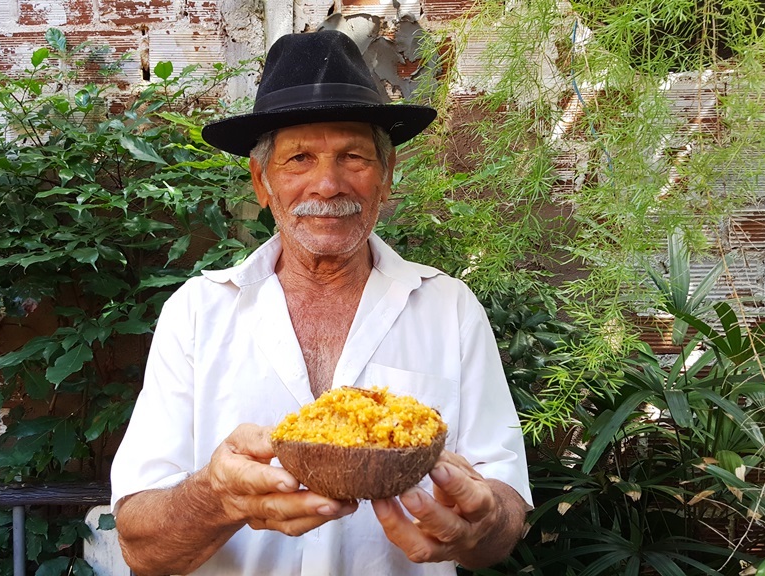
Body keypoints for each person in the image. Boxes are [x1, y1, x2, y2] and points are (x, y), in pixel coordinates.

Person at [110, 29, 532, 576]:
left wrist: (481, 523)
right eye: (299, 159)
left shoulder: (448, 307)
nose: (328, 185)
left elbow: (503, 510)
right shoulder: (197, 313)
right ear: (262, 182)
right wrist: (217, 496)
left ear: (386, 176)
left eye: (353, 157)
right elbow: (140, 545)